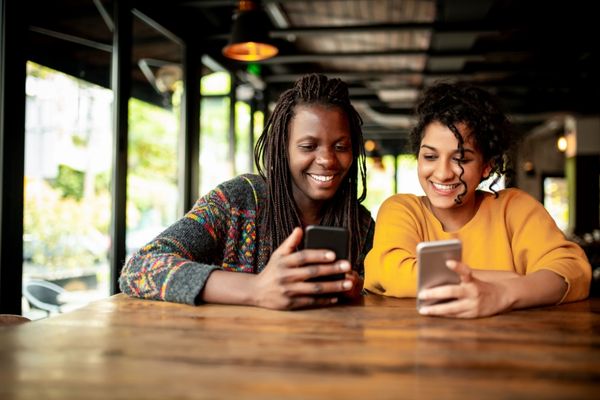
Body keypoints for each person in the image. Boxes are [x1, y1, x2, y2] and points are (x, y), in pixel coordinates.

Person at [120, 73, 374, 310]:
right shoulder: (237, 201)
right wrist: (254, 289)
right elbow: (140, 269)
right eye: (308, 146)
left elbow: (378, 298)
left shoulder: (361, 224)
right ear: (282, 150)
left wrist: (359, 293)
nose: (327, 160)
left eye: (341, 147)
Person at [364, 81, 591, 318]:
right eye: (430, 156)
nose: (442, 173)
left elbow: (572, 270)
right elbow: (390, 273)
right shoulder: (402, 209)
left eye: (461, 159)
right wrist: (506, 278)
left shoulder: (515, 208)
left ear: (486, 167)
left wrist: (502, 293)